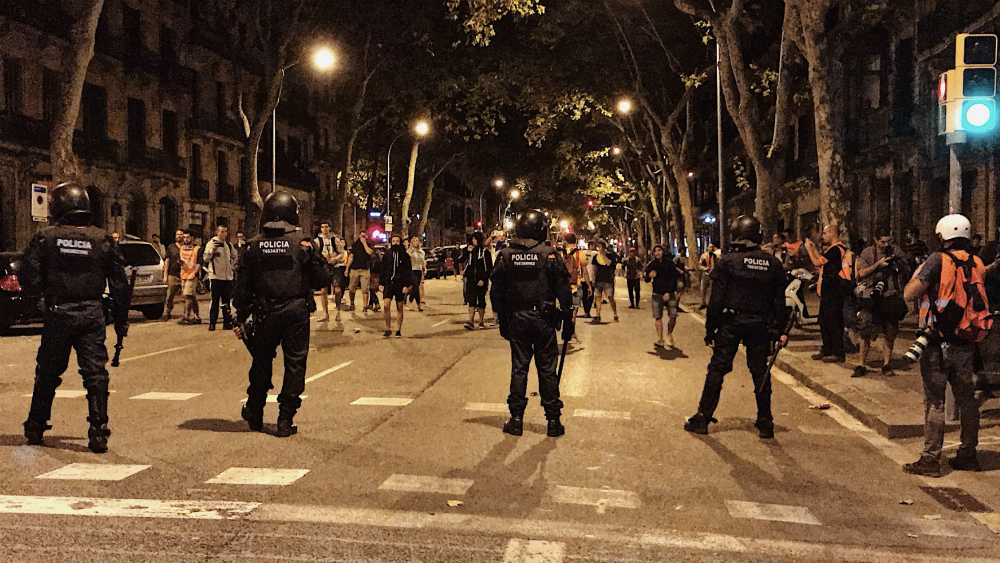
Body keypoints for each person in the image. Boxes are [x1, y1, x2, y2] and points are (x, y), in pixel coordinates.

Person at [21, 182, 129, 453]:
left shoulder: (45, 238)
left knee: (47, 373)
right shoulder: (103, 239)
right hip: (92, 313)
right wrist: (121, 318)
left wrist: (42, 298)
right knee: (95, 375)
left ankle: (36, 425)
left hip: (59, 312)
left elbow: (29, 277)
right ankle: (98, 431)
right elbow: (119, 284)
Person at [233, 192, 331, 438]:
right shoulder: (303, 244)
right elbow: (323, 279)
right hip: (295, 312)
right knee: (295, 364)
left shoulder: (253, 246)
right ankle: (285, 418)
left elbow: (243, 287)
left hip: (265, 312)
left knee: (261, 362)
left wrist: (241, 316)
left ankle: (254, 410)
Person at [684, 216, 789, 438]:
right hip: (760, 325)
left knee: (718, 369)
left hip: (731, 323)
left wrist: (710, 329)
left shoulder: (729, 262)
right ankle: (765, 420)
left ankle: (703, 417)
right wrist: (779, 330)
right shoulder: (773, 264)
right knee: (760, 371)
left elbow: (716, 300)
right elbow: (780, 302)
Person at [902, 214, 989, 476]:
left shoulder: (937, 260)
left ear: (942, 236)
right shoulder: (977, 262)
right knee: (967, 399)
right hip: (966, 340)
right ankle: (968, 454)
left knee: (935, 401)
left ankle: (930, 459)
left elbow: (910, 293)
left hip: (936, 342)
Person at [491, 210, 573, 438]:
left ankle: (516, 419)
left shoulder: (506, 256)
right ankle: (553, 421)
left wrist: (502, 318)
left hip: (517, 318)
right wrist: (568, 321)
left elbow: (495, 291)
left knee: (519, 368)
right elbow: (564, 293)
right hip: (544, 319)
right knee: (547, 370)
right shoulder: (549, 255)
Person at [852, 231, 909, 378]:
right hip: (870, 295)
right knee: (865, 329)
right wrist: (877, 265)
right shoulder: (867, 253)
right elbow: (860, 274)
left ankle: (886, 364)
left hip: (890, 295)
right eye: (882, 242)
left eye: (888, 242)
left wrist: (897, 263)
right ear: (875, 240)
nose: (885, 245)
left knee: (890, 331)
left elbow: (907, 270)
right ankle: (861, 364)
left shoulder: (896, 251)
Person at [805, 224, 851, 363]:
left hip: (834, 291)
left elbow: (818, 263)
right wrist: (814, 250)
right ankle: (827, 348)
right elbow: (823, 261)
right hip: (828, 292)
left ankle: (837, 352)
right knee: (824, 321)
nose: (823, 236)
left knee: (833, 322)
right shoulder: (832, 250)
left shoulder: (837, 249)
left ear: (832, 233)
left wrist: (809, 250)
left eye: (824, 233)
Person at [644, 245, 684, 348]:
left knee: (673, 315)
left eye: (659, 250)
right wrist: (649, 276)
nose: (657, 253)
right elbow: (646, 278)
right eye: (655, 251)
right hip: (657, 293)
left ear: (663, 252)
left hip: (669, 294)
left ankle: (669, 333)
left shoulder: (669, 264)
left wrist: (669, 291)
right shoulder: (652, 265)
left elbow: (673, 278)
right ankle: (660, 338)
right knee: (658, 317)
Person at [203, 224, 238, 331]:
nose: (224, 234)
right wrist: (212, 250)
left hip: (227, 278)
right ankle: (212, 323)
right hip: (216, 277)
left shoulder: (228, 244)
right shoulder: (211, 243)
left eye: (225, 231)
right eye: (221, 231)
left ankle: (226, 322)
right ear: (217, 232)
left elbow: (235, 256)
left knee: (226, 302)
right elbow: (205, 258)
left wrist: (232, 266)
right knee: (215, 301)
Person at [380, 233, 412, 337]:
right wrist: (381, 283)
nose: (395, 243)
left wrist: (407, 285)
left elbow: (408, 271)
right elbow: (382, 269)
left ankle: (398, 329)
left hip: (400, 284)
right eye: (393, 241)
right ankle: (388, 328)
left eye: (397, 241)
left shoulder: (405, 256)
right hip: (389, 283)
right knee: (386, 306)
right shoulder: (387, 255)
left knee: (399, 306)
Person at [463, 232, 493, 329]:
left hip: (481, 280)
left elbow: (489, 268)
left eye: (475, 239)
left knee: (481, 300)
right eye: (472, 239)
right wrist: (467, 252)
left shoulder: (485, 252)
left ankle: (481, 321)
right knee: (471, 300)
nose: (473, 241)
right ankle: (471, 320)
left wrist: (483, 279)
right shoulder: (470, 252)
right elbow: (462, 260)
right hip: (471, 279)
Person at [561, 233, 590, 331]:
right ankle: (571, 327)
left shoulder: (561, 253)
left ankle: (566, 325)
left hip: (564, 284)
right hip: (576, 282)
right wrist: (589, 285)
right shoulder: (580, 253)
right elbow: (584, 271)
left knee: (565, 307)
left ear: (565, 241)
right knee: (575, 307)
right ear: (575, 241)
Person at [314, 222, 339, 322]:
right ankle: (325, 313)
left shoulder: (335, 240)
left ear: (330, 228)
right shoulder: (317, 241)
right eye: (322, 227)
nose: (324, 229)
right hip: (323, 265)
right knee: (323, 290)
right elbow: (316, 254)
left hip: (335, 265)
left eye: (326, 227)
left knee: (338, 290)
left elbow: (341, 252)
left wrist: (335, 258)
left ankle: (338, 311)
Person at [591, 241, 619, 323]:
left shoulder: (610, 256)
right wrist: (592, 279)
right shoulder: (595, 257)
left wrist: (603, 255)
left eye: (601, 247)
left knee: (610, 297)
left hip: (608, 280)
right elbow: (593, 269)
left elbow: (608, 263)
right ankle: (598, 315)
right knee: (598, 298)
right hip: (598, 280)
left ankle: (615, 313)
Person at [178, 230, 202, 325]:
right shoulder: (182, 248)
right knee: (192, 296)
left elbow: (200, 262)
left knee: (187, 295)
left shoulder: (197, 249)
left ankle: (186, 316)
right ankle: (197, 316)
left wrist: (195, 273)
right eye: (184, 237)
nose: (185, 239)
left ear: (192, 238)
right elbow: (181, 260)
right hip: (184, 274)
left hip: (192, 275)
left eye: (187, 237)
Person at [346, 230, 373, 313]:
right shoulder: (355, 244)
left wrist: (364, 243)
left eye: (364, 236)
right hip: (354, 269)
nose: (362, 238)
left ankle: (365, 306)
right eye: (361, 236)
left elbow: (369, 252)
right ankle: (352, 303)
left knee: (365, 289)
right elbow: (351, 256)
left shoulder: (369, 243)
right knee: (351, 288)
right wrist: (347, 268)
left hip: (365, 269)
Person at [163, 228, 184, 321]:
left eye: (180, 234)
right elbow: (167, 261)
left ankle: (186, 313)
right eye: (177, 234)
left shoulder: (187, 247)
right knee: (170, 295)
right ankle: (168, 311)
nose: (179, 236)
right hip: (173, 274)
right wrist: (165, 275)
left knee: (187, 296)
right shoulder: (171, 247)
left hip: (185, 275)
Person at [408, 236, 427, 311]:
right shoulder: (409, 251)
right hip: (412, 270)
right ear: (411, 243)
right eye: (414, 241)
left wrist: (424, 268)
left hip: (419, 270)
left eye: (417, 241)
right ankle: (415, 303)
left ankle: (417, 304)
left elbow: (423, 261)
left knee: (416, 288)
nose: (416, 242)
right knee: (415, 286)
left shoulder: (421, 251)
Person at [698, 243, 718, 310]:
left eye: (712, 247)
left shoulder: (715, 256)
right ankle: (703, 303)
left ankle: (710, 303)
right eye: (710, 247)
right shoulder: (703, 256)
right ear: (707, 248)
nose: (711, 248)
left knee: (711, 290)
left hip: (712, 275)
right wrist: (704, 268)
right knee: (703, 289)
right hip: (705, 274)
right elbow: (699, 265)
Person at [368, 248, 383, 312]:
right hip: (378, 275)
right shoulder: (380, 260)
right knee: (372, 289)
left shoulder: (373, 259)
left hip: (373, 275)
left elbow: (372, 268)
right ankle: (370, 304)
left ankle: (377, 303)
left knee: (371, 290)